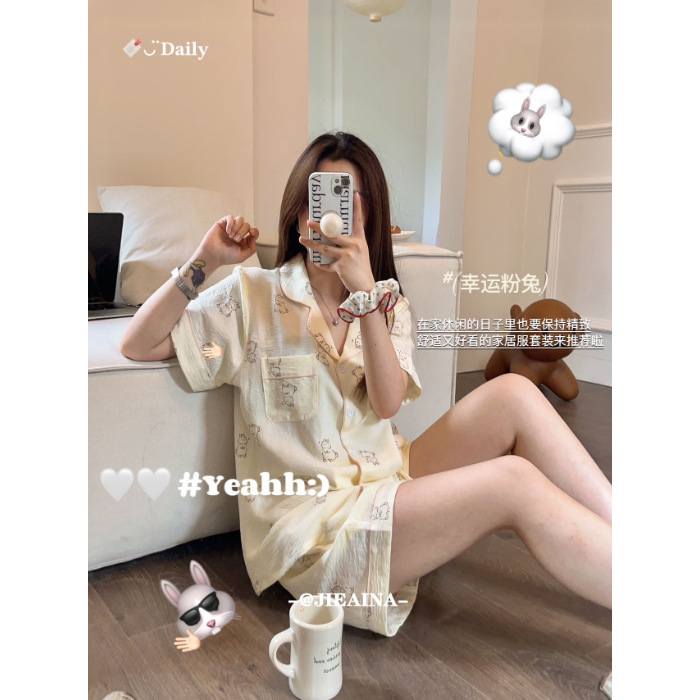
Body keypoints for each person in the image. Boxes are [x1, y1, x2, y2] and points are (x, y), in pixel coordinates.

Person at [121, 131, 612, 639]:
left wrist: (365, 295)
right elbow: (139, 343)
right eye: (317, 198)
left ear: (369, 216)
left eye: (347, 202)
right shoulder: (251, 297)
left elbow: (387, 400)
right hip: (316, 533)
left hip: (387, 480)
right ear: (297, 213)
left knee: (516, 394)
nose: (328, 217)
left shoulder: (388, 303)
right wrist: (206, 259)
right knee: (514, 482)